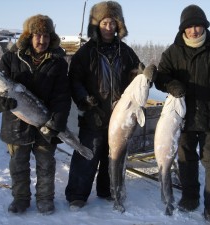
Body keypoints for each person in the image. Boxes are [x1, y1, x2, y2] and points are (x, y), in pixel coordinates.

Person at [154, 5, 210, 225]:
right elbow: (160, 77)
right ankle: (190, 197)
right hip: (182, 118)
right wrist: (171, 84)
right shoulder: (173, 51)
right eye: (189, 26)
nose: (194, 30)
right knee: (186, 159)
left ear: (205, 26)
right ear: (183, 28)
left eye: (197, 25)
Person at [0, 14, 71, 215]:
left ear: (51, 38)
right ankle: (21, 199)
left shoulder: (58, 63)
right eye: (37, 35)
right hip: (16, 124)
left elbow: (62, 96)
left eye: (46, 36)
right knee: (18, 165)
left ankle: (45, 199)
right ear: (28, 36)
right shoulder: (10, 58)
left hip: (45, 123)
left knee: (46, 165)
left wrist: (57, 121)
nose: (42, 41)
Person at [65, 1, 140, 210]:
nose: (109, 27)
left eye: (113, 23)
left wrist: (143, 74)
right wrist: (85, 101)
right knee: (88, 153)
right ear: (97, 25)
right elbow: (75, 80)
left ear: (119, 26)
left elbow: (136, 74)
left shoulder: (125, 52)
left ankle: (107, 190)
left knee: (113, 154)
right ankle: (77, 195)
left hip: (119, 113)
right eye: (105, 22)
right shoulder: (86, 52)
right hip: (93, 112)